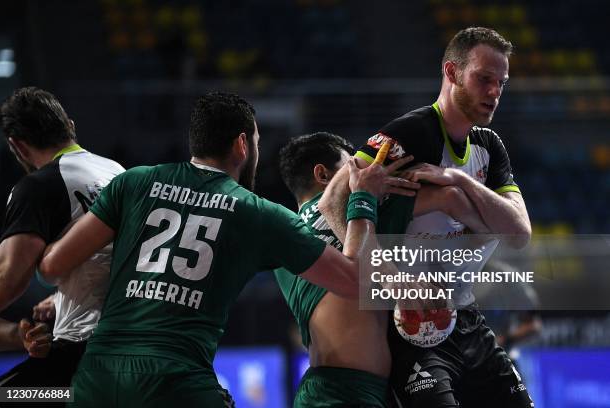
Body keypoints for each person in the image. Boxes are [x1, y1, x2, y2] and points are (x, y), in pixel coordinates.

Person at [38, 92, 413, 407]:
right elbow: (354, 281)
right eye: (257, 143)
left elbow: (53, 266)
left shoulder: (134, 182)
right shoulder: (259, 213)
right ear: (242, 144)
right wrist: (361, 197)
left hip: (98, 376)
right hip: (177, 381)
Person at [319, 27, 534, 407]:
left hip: (466, 314)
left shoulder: (489, 146)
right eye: (484, 79)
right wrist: (386, 275)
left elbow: (519, 233)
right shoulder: (411, 133)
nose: (494, 92)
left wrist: (455, 185)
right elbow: (331, 201)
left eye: (501, 83)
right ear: (452, 73)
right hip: (413, 323)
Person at [276, 132, 495, 407]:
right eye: (352, 168)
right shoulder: (362, 213)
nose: (365, 173)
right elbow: (449, 197)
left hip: (326, 389)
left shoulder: (286, 239)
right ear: (323, 175)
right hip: (348, 393)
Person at [0, 87, 125, 393]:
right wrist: (58, 299)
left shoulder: (38, 187)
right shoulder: (118, 172)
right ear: (70, 125)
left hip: (83, 351)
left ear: (18, 146)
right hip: (137, 339)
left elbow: (8, 280)